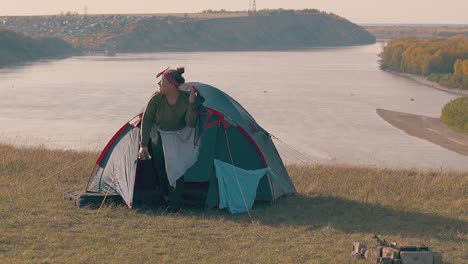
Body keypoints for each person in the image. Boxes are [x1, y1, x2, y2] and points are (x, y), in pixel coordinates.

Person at [138, 66, 197, 213]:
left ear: (171, 85)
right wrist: (143, 145)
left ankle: (174, 203)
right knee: (161, 167)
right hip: (159, 137)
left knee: (177, 168)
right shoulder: (156, 99)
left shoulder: (184, 99)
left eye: (162, 81)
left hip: (179, 137)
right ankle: (165, 197)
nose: (159, 84)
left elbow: (190, 123)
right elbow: (147, 120)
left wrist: (191, 103)